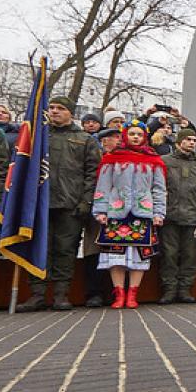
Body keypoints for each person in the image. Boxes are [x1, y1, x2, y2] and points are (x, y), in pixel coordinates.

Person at [16, 96, 101, 312]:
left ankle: (61, 294)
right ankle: (37, 294)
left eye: (60, 108)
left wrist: (86, 201)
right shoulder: (38, 137)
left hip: (71, 203)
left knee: (65, 250)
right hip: (40, 203)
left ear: (70, 113)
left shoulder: (85, 139)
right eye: (52, 108)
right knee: (39, 249)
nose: (54, 111)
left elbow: (93, 173)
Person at [91, 120, 166, 309]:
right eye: (132, 134)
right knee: (116, 255)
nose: (135, 137)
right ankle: (119, 293)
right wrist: (100, 210)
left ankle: (133, 293)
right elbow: (103, 186)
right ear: (125, 136)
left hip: (143, 212)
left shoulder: (154, 161)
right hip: (116, 212)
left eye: (139, 135)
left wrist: (158, 212)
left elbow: (159, 189)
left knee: (139, 255)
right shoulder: (112, 159)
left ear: (145, 138)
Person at [159, 129, 196, 304]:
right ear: (179, 142)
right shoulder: (165, 161)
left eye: (194, 140)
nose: (192, 143)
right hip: (170, 215)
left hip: (193, 216)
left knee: (190, 255)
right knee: (169, 254)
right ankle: (169, 290)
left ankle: (185, 289)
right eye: (188, 139)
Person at [82, 128, 121, 307]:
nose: (118, 141)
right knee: (94, 251)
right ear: (104, 141)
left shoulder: (128, 159)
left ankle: (116, 292)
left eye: (120, 137)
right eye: (113, 138)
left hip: (120, 213)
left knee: (117, 254)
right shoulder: (94, 157)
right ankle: (94, 293)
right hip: (95, 210)